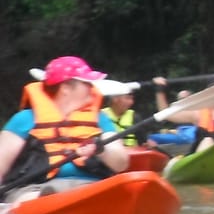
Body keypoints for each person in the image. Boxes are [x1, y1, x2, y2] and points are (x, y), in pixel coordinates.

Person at [0, 56, 131, 201]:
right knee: (32, 199)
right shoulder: (24, 119)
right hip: (34, 190)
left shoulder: (100, 119)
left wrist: (101, 149)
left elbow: (121, 164)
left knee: (107, 194)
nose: (92, 88)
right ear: (66, 88)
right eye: (86, 83)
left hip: (90, 187)